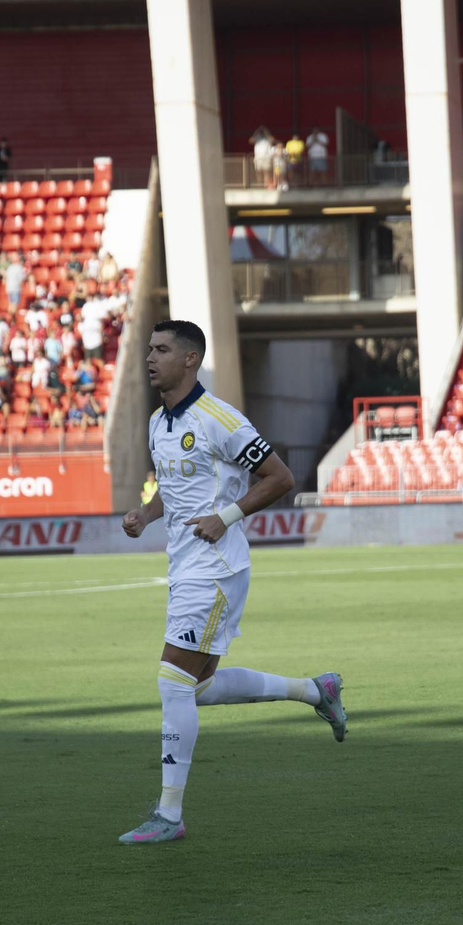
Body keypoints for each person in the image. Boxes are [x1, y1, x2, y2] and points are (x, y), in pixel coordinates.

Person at [115, 320, 342, 845]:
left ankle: (169, 814)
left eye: (162, 349)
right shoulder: (157, 422)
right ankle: (316, 690)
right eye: (149, 348)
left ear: (190, 360)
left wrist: (228, 516)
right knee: (200, 687)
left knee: (172, 681)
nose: (151, 357)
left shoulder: (221, 419)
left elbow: (281, 479)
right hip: (184, 566)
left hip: (216, 568)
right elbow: (173, 488)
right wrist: (146, 515)